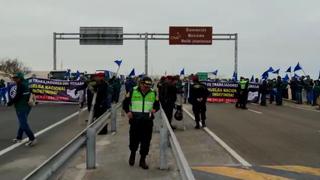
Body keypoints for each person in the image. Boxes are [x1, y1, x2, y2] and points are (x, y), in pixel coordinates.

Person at [122, 76, 160, 169]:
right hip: (135, 120)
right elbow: (125, 103)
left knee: (146, 141)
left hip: (147, 121)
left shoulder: (153, 92)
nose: (146, 87)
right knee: (134, 139)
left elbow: (157, 104)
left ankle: (142, 160)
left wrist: (154, 109)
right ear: (140, 84)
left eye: (148, 86)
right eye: (145, 85)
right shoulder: (133, 91)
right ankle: (132, 154)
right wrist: (128, 112)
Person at [7, 72, 37, 146]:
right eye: (14, 78)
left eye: (16, 78)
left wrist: (10, 103)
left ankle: (32, 139)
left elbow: (18, 96)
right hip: (27, 106)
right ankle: (19, 137)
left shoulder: (21, 85)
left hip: (21, 107)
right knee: (22, 122)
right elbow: (32, 91)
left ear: (20, 78)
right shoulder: (26, 83)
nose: (15, 79)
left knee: (23, 124)